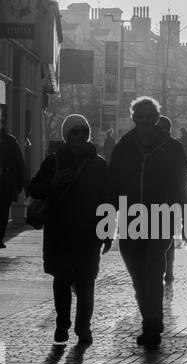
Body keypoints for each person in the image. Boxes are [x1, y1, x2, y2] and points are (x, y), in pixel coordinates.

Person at [109, 97, 187, 346]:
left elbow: (182, 186)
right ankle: (150, 318)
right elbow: (112, 185)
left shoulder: (172, 148)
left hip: (160, 218)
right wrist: (106, 222)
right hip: (131, 219)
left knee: (154, 273)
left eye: (148, 116)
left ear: (156, 118)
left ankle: (152, 325)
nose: (144, 121)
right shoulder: (124, 146)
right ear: (134, 118)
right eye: (139, 116)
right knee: (138, 277)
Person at [28, 114, 112, 346]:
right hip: (60, 232)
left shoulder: (98, 164)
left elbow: (108, 199)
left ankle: (83, 327)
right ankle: (62, 324)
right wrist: (53, 182)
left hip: (89, 233)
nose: (80, 136)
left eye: (84, 131)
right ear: (66, 135)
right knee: (62, 281)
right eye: (75, 132)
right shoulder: (53, 162)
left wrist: (107, 231)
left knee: (86, 283)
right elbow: (34, 189)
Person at [0, 118, 24, 248]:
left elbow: (19, 164)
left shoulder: (10, 141)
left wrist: (18, 184)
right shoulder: (10, 141)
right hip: (6, 185)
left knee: (3, 212)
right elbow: (20, 164)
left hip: (5, 184)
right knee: (3, 212)